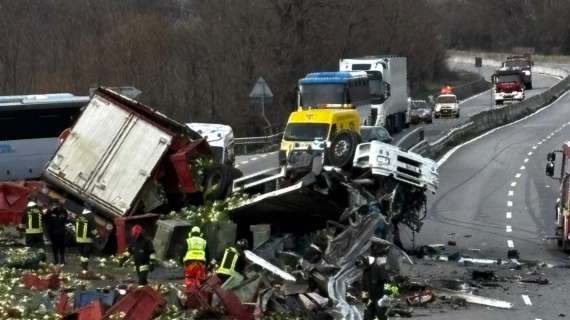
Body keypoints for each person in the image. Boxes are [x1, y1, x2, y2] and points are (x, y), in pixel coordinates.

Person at [44, 200, 69, 265]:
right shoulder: (51, 211)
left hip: (61, 232)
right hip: (53, 233)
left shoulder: (64, 212)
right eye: (57, 204)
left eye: (60, 205)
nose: (58, 206)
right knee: (55, 247)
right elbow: (45, 219)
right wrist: (48, 211)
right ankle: (56, 260)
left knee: (62, 247)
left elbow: (66, 220)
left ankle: (62, 260)